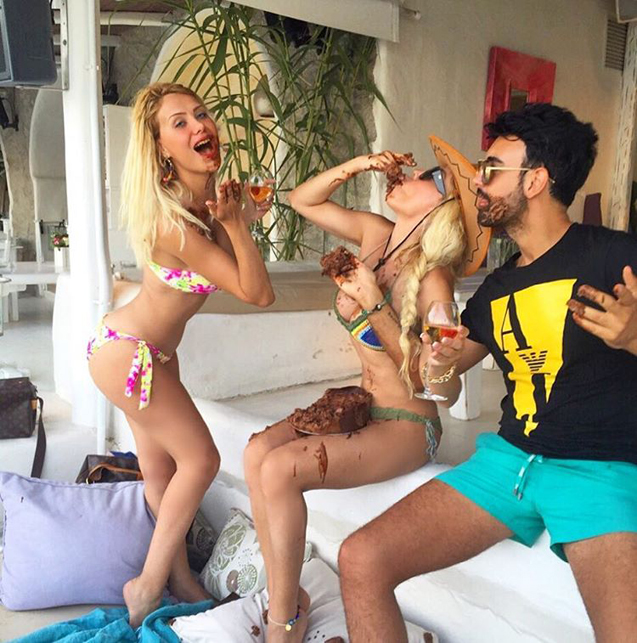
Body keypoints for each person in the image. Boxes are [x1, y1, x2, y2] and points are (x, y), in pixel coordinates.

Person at [338, 103, 637, 642]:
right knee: (361, 558)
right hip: (507, 462)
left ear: (536, 180)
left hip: (599, 470)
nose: (476, 180)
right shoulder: (496, 288)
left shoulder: (616, 256)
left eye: (492, 168)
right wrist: (437, 363)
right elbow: (439, 385)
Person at [243, 139, 487, 642]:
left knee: (279, 468)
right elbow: (302, 200)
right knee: (255, 452)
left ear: (445, 207)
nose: (408, 173)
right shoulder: (377, 234)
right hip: (363, 406)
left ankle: (282, 623)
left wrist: (375, 301)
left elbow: (435, 386)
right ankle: (287, 595)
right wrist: (360, 164)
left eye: (427, 176)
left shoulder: (435, 281)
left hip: (407, 424)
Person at [87, 82, 275, 628]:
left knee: (162, 472)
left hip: (151, 356)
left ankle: (180, 580)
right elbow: (257, 292)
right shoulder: (175, 221)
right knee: (202, 460)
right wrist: (236, 226)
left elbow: (237, 266)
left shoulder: (203, 207)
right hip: (128, 354)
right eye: (180, 122)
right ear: (161, 148)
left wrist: (239, 220)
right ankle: (146, 588)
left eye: (201, 114)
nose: (199, 126)